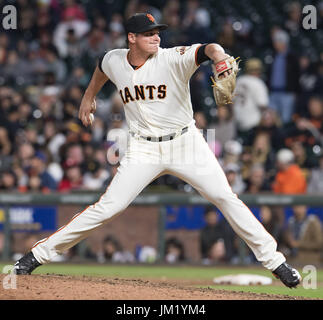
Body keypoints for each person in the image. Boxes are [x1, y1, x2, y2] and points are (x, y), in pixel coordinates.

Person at [14, 13, 301, 288]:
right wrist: (88, 97)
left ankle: (276, 262)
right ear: (131, 38)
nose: (156, 38)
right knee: (108, 207)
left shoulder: (172, 58)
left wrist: (220, 56)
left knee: (225, 197)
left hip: (185, 143)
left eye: (157, 33)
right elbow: (102, 68)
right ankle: (36, 257)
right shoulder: (114, 59)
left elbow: (207, 49)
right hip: (142, 148)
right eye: (148, 34)